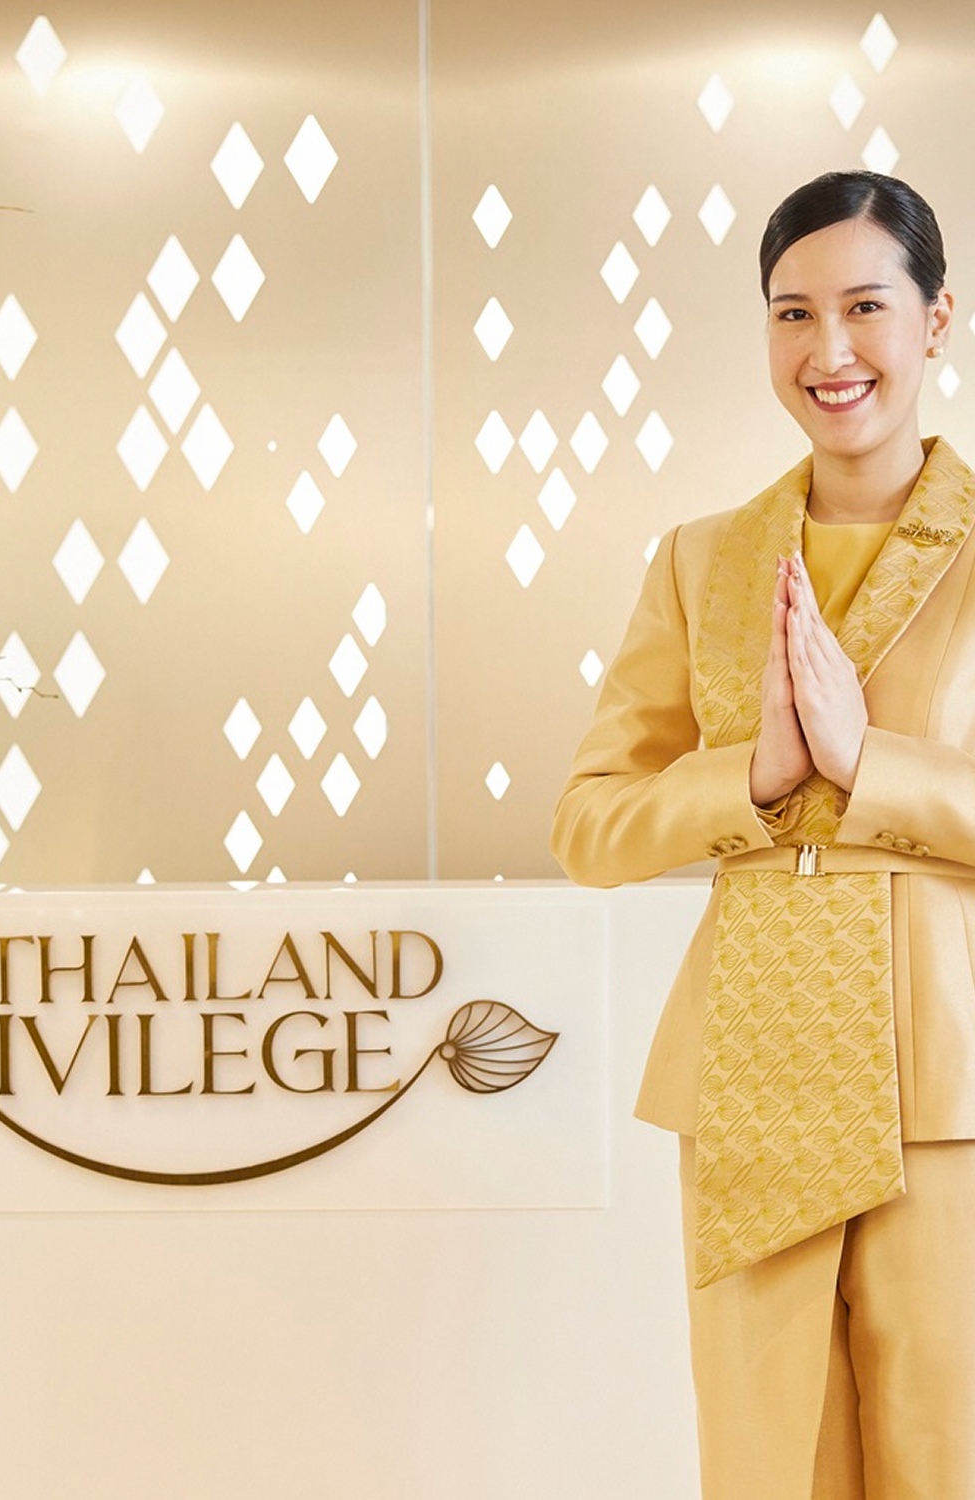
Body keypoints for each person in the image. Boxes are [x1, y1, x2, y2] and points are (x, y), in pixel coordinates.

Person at [550, 170, 975, 1500]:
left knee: (943, 1450)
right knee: (763, 1462)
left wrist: (867, 766)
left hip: (951, 1082)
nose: (828, 351)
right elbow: (593, 827)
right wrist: (752, 774)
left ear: (937, 319)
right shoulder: (703, 561)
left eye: (865, 307)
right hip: (754, 1066)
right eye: (794, 314)